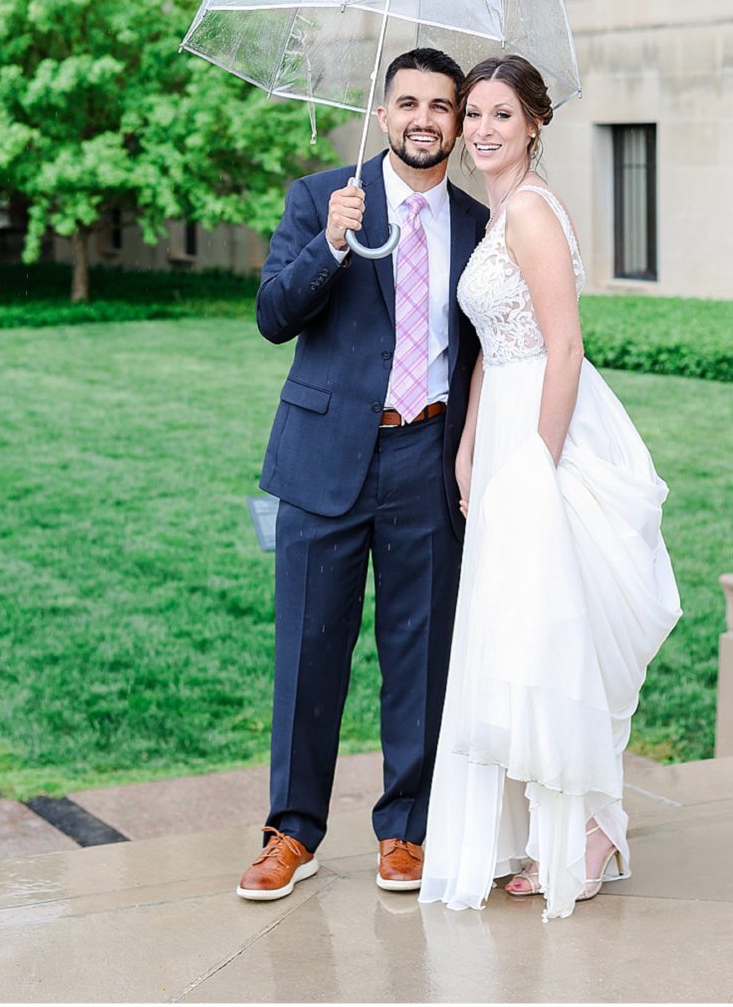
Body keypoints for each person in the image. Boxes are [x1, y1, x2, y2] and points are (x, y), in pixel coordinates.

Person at [418, 54, 681, 923]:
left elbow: (562, 347)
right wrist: (466, 448)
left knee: (555, 634)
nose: (482, 131)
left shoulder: (528, 213)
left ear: (534, 124)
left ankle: (587, 836)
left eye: (500, 115)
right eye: (474, 116)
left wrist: (536, 458)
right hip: (500, 431)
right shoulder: (497, 217)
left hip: (547, 432)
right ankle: (541, 830)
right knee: (516, 637)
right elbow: (497, 343)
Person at [236, 47, 490, 903]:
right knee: (309, 651)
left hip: (428, 454)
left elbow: (487, 347)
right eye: (408, 102)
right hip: (323, 459)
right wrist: (332, 244)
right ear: (382, 114)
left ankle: (405, 830)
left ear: (455, 123)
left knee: (420, 653)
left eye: (441, 106)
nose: (425, 118)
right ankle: (291, 832)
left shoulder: (478, 220)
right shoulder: (319, 198)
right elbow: (274, 316)